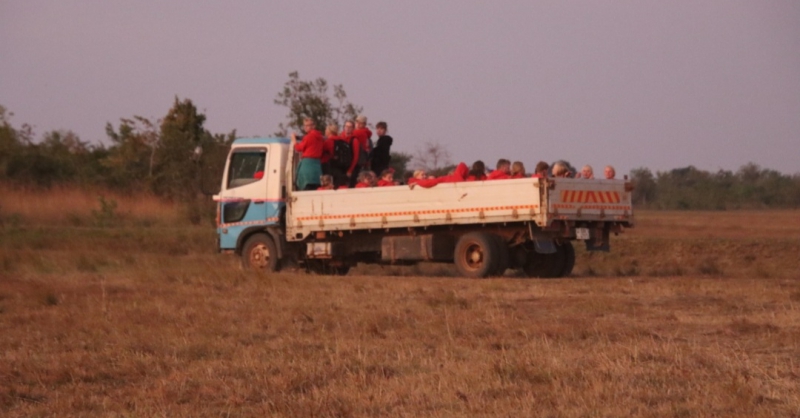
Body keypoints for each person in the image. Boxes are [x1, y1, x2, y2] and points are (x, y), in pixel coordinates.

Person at [291, 118, 324, 190]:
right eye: (305, 125)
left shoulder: (308, 137)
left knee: (305, 186)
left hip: (307, 166)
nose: (305, 127)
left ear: (313, 126)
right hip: (317, 166)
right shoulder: (320, 137)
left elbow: (298, 148)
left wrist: (294, 140)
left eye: (307, 125)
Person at [339, 120, 362, 187]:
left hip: (351, 167)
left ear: (353, 128)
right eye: (346, 126)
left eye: (350, 127)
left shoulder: (355, 140)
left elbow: (356, 157)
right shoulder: (340, 138)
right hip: (342, 167)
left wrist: (350, 170)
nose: (348, 128)